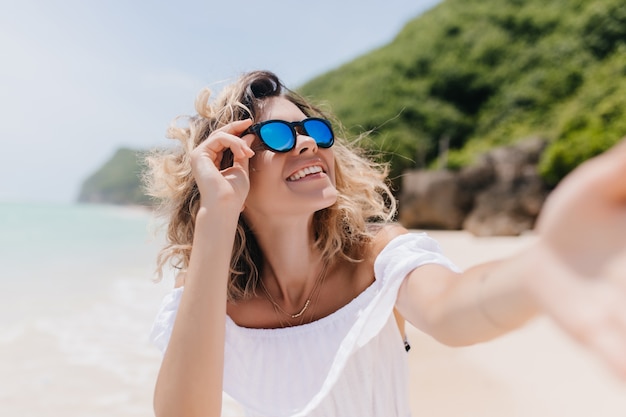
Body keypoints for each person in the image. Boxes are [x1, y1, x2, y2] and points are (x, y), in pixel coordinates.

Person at [146, 70, 626, 417]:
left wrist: (536, 271)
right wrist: (218, 218)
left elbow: (454, 310)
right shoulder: (209, 292)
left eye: (312, 129)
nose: (308, 143)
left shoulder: (374, 256)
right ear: (229, 166)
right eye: (276, 134)